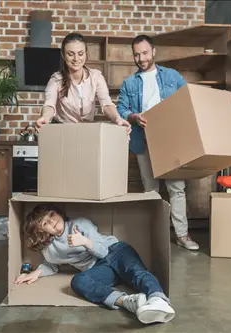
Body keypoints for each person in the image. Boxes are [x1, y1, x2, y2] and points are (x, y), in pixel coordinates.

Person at [14, 204, 175, 324]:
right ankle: (127, 302)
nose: (53, 222)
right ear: (42, 231)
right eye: (45, 223)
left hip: (115, 251)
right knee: (78, 282)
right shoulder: (51, 249)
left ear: (58, 212)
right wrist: (35, 273)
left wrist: (84, 242)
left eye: (52, 214)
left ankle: (158, 300)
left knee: (135, 272)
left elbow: (103, 251)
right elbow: (51, 264)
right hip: (99, 269)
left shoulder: (80, 224)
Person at [116, 35, 199, 251]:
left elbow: (190, 97)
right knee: (151, 190)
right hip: (143, 140)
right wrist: (133, 117)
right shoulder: (129, 83)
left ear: (153, 51)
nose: (141, 58)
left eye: (144, 53)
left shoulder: (172, 76)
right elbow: (121, 110)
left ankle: (182, 235)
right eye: (137, 54)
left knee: (176, 188)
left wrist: (221, 98)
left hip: (170, 140)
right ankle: (153, 236)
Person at [35, 32, 131, 133]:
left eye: (80, 54)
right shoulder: (56, 80)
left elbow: (106, 104)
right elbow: (49, 104)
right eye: (70, 54)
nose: (76, 59)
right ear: (63, 55)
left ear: (86, 54)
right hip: (62, 130)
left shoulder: (96, 77)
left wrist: (117, 119)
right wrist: (45, 117)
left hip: (86, 130)